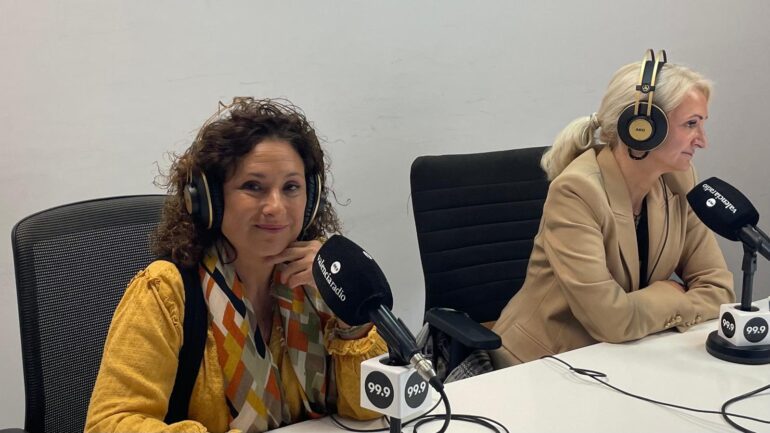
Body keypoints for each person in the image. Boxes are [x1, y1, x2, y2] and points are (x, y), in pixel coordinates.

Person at [86, 97, 386, 432]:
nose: (275, 207)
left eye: (291, 187)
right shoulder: (165, 291)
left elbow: (370, 409)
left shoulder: (320, 283)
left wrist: (349, 319)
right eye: (253, 187)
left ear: (311, 199)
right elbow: (109, 425)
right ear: (210, 200)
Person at [491, 50, 735, 367]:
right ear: (643, 127)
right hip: (544, 362)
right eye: (691, 124)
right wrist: (671, 293)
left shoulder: (679, 181)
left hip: (625, 355)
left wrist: (652, 308)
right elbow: (610, 319)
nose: (702, 141)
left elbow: (718, 289)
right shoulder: (577, 191)